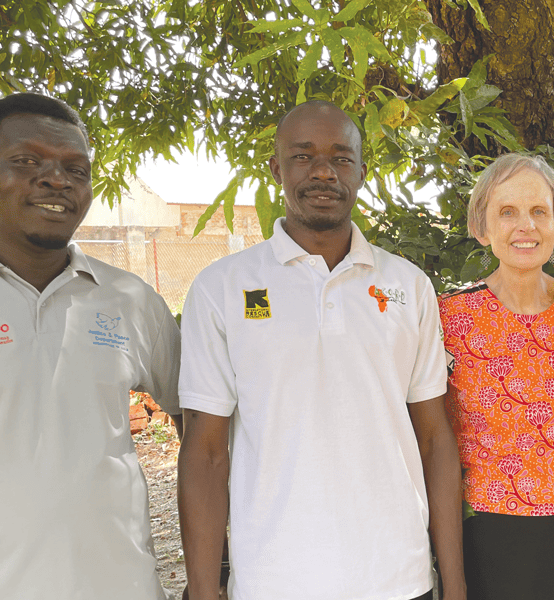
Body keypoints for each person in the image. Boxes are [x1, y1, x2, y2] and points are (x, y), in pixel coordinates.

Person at [177, 99, 465, 600]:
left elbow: (435, 441)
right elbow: (204, 453)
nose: (323, 172)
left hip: (397, 578)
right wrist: (203, 589)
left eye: (341, 157)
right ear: (276, 168)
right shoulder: (222, 286)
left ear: (361, 170)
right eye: (303, 156)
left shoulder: (408, 286)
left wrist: (454, 583)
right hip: (274, 581)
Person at [0, 93, 181, 598]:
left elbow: (197, 421)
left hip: (121, 585)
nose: (56, 180)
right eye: (27, 161)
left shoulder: (129, 299)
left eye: (76, 169)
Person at [439, 153, 554, 600]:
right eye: (507, 212)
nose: (526, 226)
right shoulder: (449, 317)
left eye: (540, 211)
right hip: (489, 531)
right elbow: (430, 429)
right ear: (482, 229)